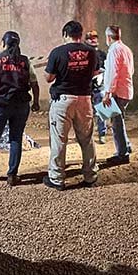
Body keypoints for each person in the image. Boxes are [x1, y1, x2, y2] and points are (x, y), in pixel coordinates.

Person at [0, 31, 40, 185]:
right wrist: (36, 102)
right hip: (21, 104)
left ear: (3, 43)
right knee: (16, 138)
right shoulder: (25, 61)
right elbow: (34, 84)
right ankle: (12, 175)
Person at [43, 20, 99, 190]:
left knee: (59, 139)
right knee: (87, 139)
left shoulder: (58, 52)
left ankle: (57, 178)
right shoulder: (92, 52)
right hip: (85, 99)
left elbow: (48, 78)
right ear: (80, 34)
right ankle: (90, 176)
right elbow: (95, 72)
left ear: (65, 34)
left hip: (63, 100)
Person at [102, 25, 135, 165]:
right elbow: (131, 70)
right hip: (126, 90)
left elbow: (112, 73)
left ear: (108, 37)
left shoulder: (114, 50)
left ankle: (122, 154)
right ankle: (126, 145)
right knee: (119, 120)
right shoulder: (126, 49)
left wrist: (108, 93)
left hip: (117, 92)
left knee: (116, 123)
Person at [85, 29, 108, 144]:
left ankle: (102, 134)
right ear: (86, 40)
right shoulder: (84, 54)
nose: (93, 40)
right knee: (85, 113)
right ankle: (86, 135)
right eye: (90, 38)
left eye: (94, 37)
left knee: (102, 111)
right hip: (87, 88)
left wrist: (102, 75)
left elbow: (108, 69)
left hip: (100, 87)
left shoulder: (103, 54)